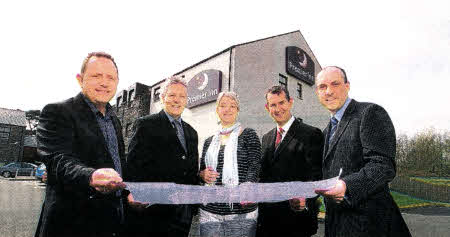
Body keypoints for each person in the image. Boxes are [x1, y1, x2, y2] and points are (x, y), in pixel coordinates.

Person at [35, 52, 131, 237]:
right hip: (72, 224)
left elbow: (119, 165)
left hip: (112, 222)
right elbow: (58, 160)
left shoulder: (115, 121)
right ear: (80, 80)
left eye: (111, 77)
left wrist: (128, 194)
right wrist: (91, 175)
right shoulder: (57, 111)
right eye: (96, 76)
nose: (104, 82)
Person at [314, 66, 411, 237]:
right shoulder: (325, 132)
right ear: (317, 92)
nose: (328, 91)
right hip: (337, 226)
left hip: (371, 226)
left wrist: (346, 186)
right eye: (322, 87)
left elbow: (383, 166)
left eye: (335, 84)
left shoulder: (370, 113)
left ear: (347, 86)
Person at [126, 76, 199, 237]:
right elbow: (133, 165)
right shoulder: (145, 124)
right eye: (172, 95)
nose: (177, 100)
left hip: (183, 211)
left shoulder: (192, 132)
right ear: (162, 97)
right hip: (154, 210)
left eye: (182, 96)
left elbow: (192, 168)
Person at [257, 86, 324, 237]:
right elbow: (263, 175)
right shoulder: (266, 138)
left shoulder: (311, 134)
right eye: (273, 105)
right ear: (267, 108)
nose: (278, 109)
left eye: (282, 103)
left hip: (296, 222)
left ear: (290, 102)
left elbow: (317, 175)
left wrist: (305, 198)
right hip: (267, 221)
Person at [198, 91, 262, 237]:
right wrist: (202, 174)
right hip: (209, 211)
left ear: (238, 111)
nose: (227, 109)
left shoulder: (248, 135)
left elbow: (255, 165)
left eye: (232, 106)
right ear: (217, 110)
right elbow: (201, 170)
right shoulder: (209, 141)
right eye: (223, 105)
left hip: (240, 212)